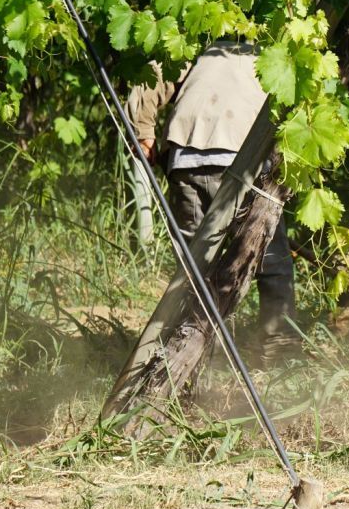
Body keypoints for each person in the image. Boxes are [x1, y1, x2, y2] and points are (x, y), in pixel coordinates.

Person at [127, 40, 297, 353]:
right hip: (241, 156)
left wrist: (143, 132)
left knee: (197, 265)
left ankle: (197, 356)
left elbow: (148, 81)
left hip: (184, 155)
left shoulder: (205, 48)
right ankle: (279, 347)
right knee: (271, 258)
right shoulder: (279, 55)